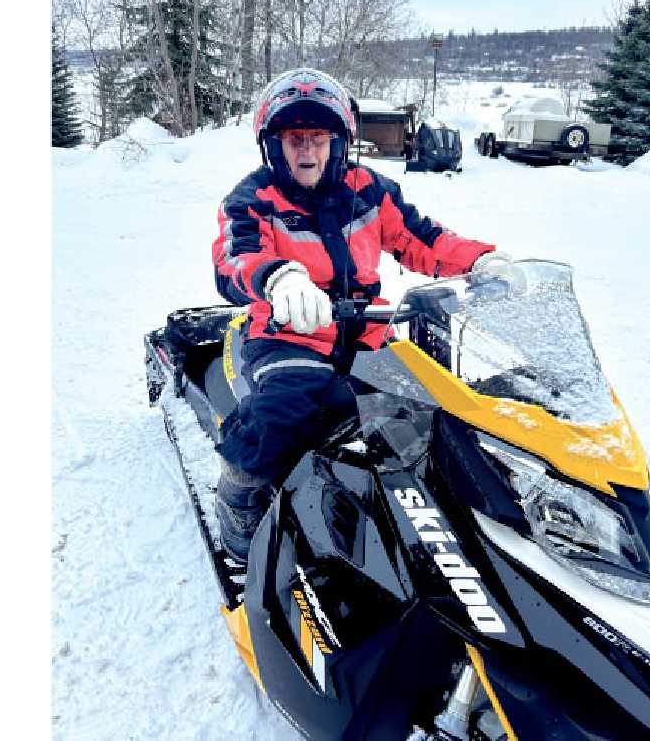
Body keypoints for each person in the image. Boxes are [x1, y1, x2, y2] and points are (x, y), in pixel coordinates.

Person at [210, 68, 515, 562]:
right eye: (293, 138)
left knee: (436, 407)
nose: (306, 150)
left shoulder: (370, 190)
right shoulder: (253, 198)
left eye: (318, 137)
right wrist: (278, 278)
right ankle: (238, 500)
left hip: (368, 331)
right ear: (273, 144)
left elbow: (423, 239)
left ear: (339, 140)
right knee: (283, 414)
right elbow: (234, 257)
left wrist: (478, 259)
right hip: (290, 335)